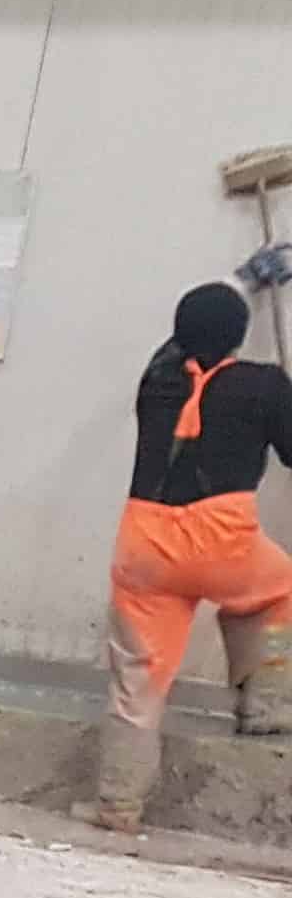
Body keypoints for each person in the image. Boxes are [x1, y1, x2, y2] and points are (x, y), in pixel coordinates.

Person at [94, 280, 292, 833]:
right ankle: (269, 706)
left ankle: (118, 806)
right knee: (277, 590)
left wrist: (237, 285)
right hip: (224, 541)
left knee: (137, 683)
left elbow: (176, 349)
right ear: (239, 336)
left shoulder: (155, 382)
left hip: (146, 546)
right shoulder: (264, 384)